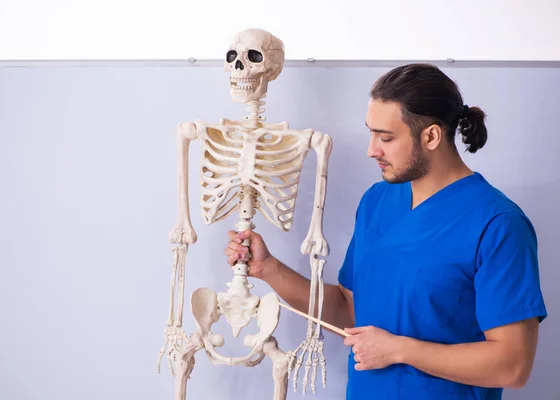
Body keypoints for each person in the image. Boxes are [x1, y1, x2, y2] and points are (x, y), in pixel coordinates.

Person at [224, 63, 547, 399]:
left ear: (432, 136)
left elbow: (513, 365)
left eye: (386, 137)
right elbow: (349, 311)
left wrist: (398, 350)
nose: (371, 149)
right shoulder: (378, 201)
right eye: (371, 132)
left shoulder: (498, 225)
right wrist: (269, 269)